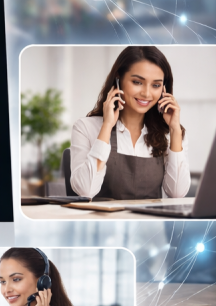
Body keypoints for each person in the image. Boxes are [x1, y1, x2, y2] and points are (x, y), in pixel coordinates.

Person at [70, 46, 189, 200]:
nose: (146, 93)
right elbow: (85, 191)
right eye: (137, 82)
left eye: (156, 85)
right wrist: (107, 126)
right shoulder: (86, 128)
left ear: (164, 89)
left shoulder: (172, 134)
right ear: (118, 79)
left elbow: (177, 193)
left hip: (151, 223)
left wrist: (174, 131)